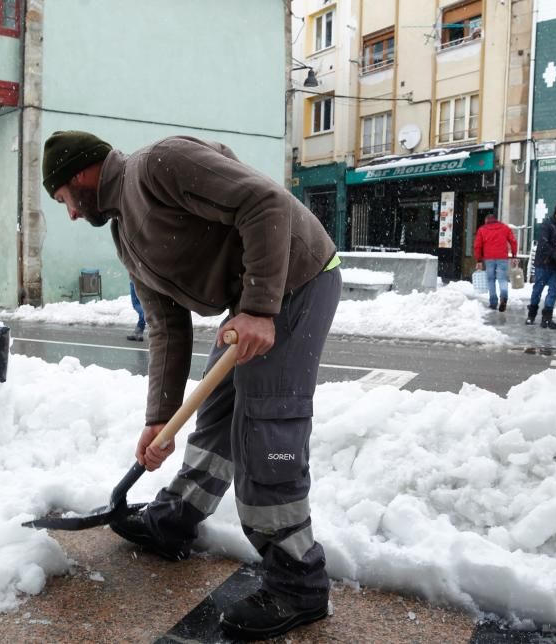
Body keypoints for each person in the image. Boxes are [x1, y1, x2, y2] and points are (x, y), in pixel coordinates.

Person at [43, 131, 341, 640]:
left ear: (78, 177)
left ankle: (298, 582)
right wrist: (159, 418)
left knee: (264, 429)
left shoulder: (161, 164)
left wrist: (261, 309)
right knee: (217, 415)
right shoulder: (125, 236)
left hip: (297, 279)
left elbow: (265, 202)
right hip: (252, 301)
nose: (69, 213)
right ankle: (177, 518)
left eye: (63, 200)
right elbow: (166, 326)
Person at [526, 202, 556, 329]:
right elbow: (543, 244)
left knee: (553, 291)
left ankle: (547, 319)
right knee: (538, 289)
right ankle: (531, 315)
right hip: (544, 263)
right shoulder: (547, 225)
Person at [473, 213, 518, 311]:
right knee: (502, 279)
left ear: (486, 221)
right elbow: (513, 241)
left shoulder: (482, 229)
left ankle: (493, 302)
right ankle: (504, 295)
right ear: (496, 220)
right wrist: (514, 255)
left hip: (489, 258)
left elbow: (477, 245)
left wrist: (479, 259)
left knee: (491, 280)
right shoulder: (504, 228)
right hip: (502, 257)